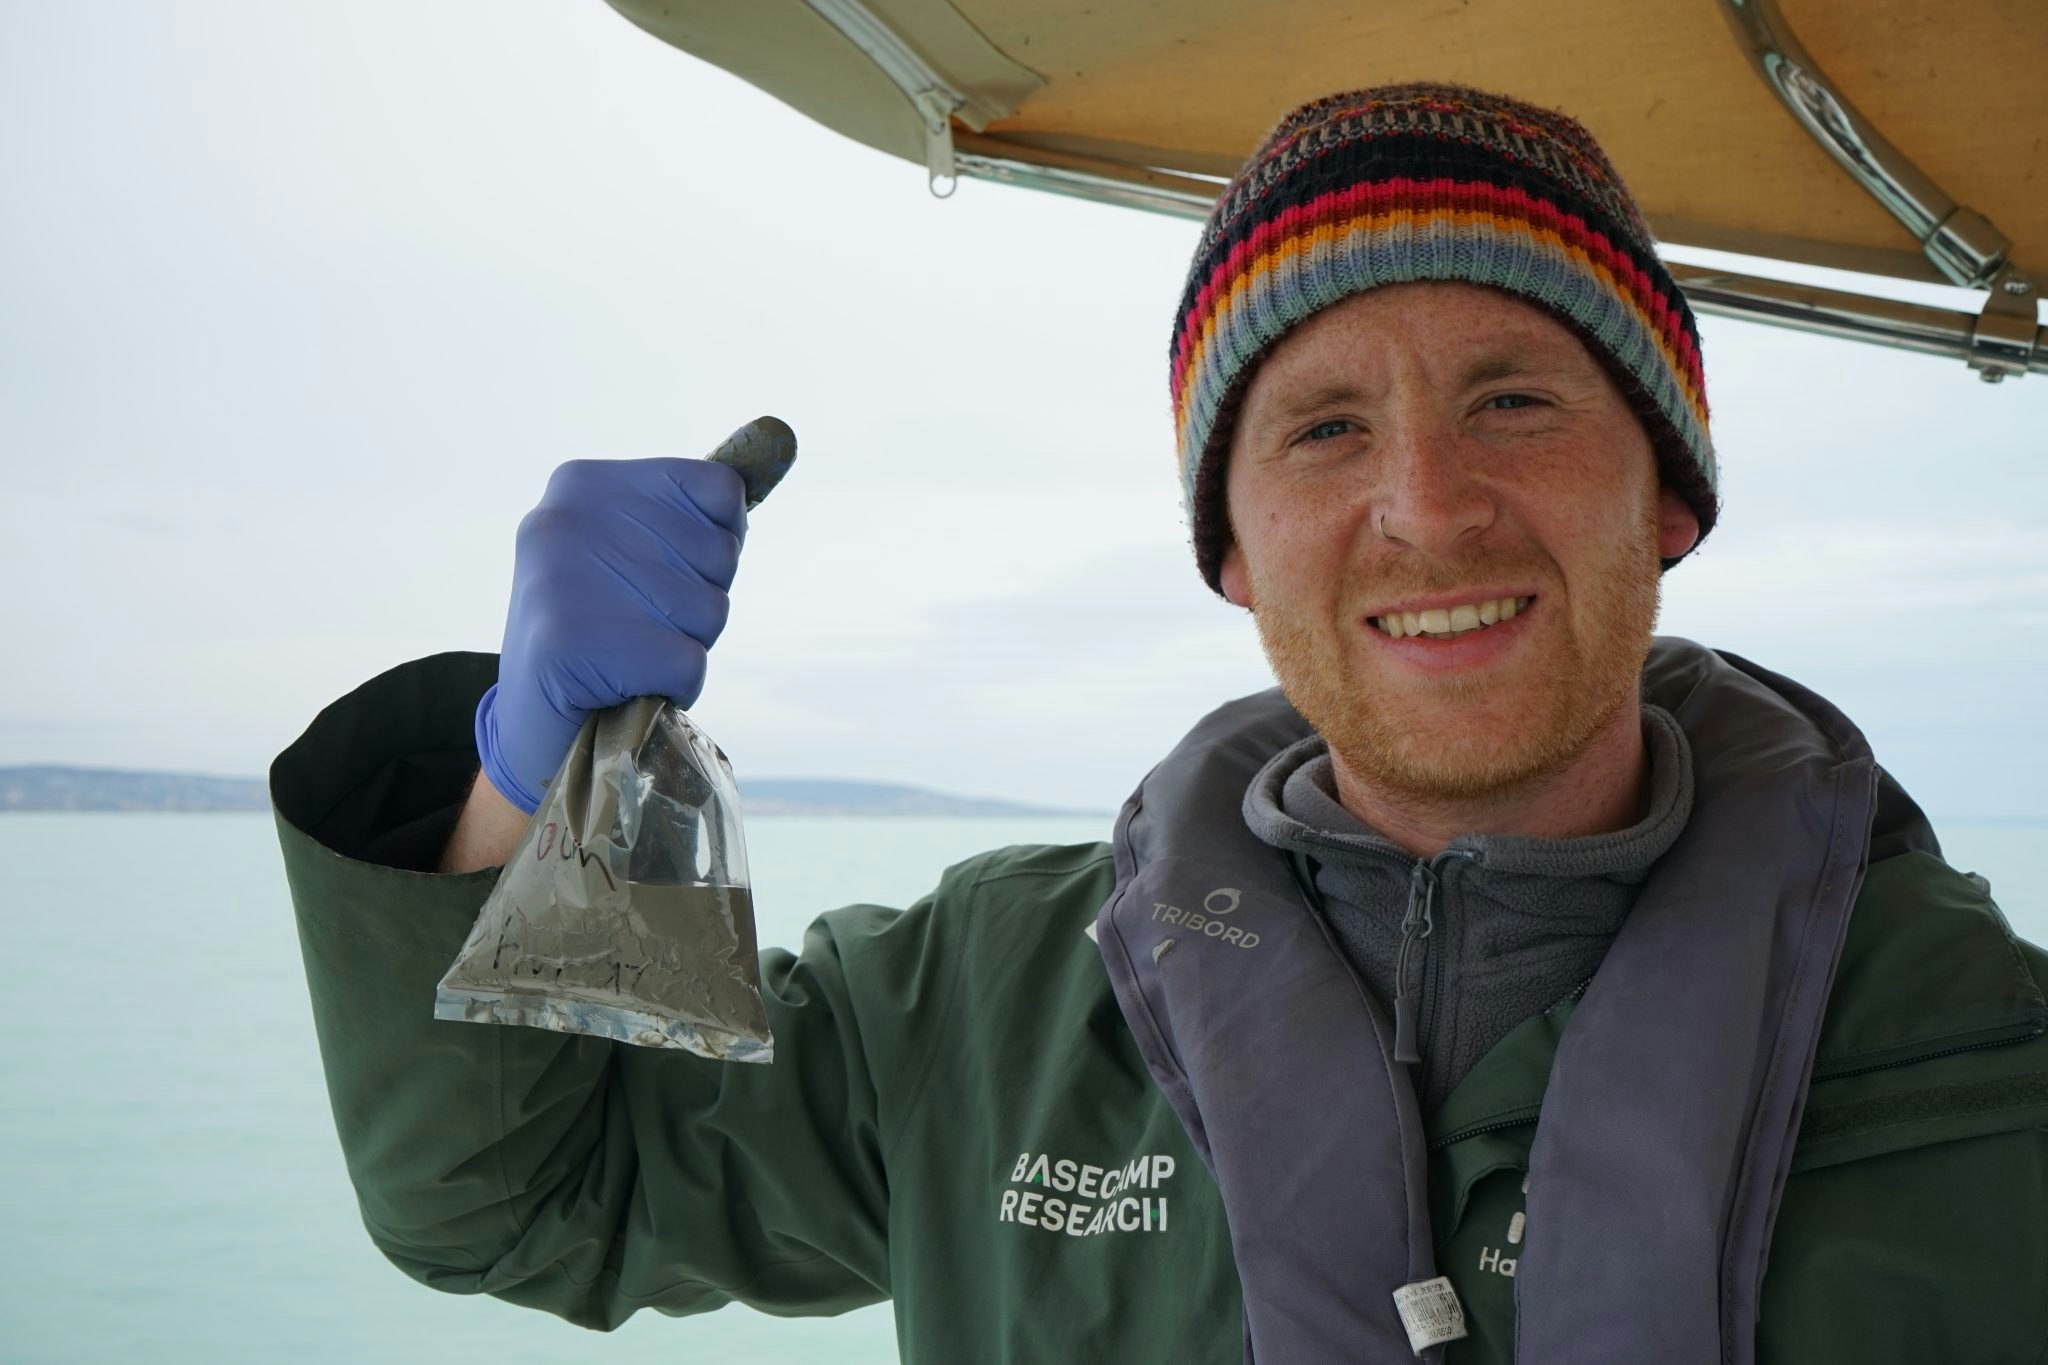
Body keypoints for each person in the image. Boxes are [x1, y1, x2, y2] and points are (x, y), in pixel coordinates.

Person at [274, 84, 2048, 1364]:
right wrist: (526, 782)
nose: (1427, 507)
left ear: (1666, 492)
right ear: (1231, 548)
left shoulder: (1987, 1058)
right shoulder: (976, 1005)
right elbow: (517, 1195)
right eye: (1325, 429)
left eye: (1514, 398)